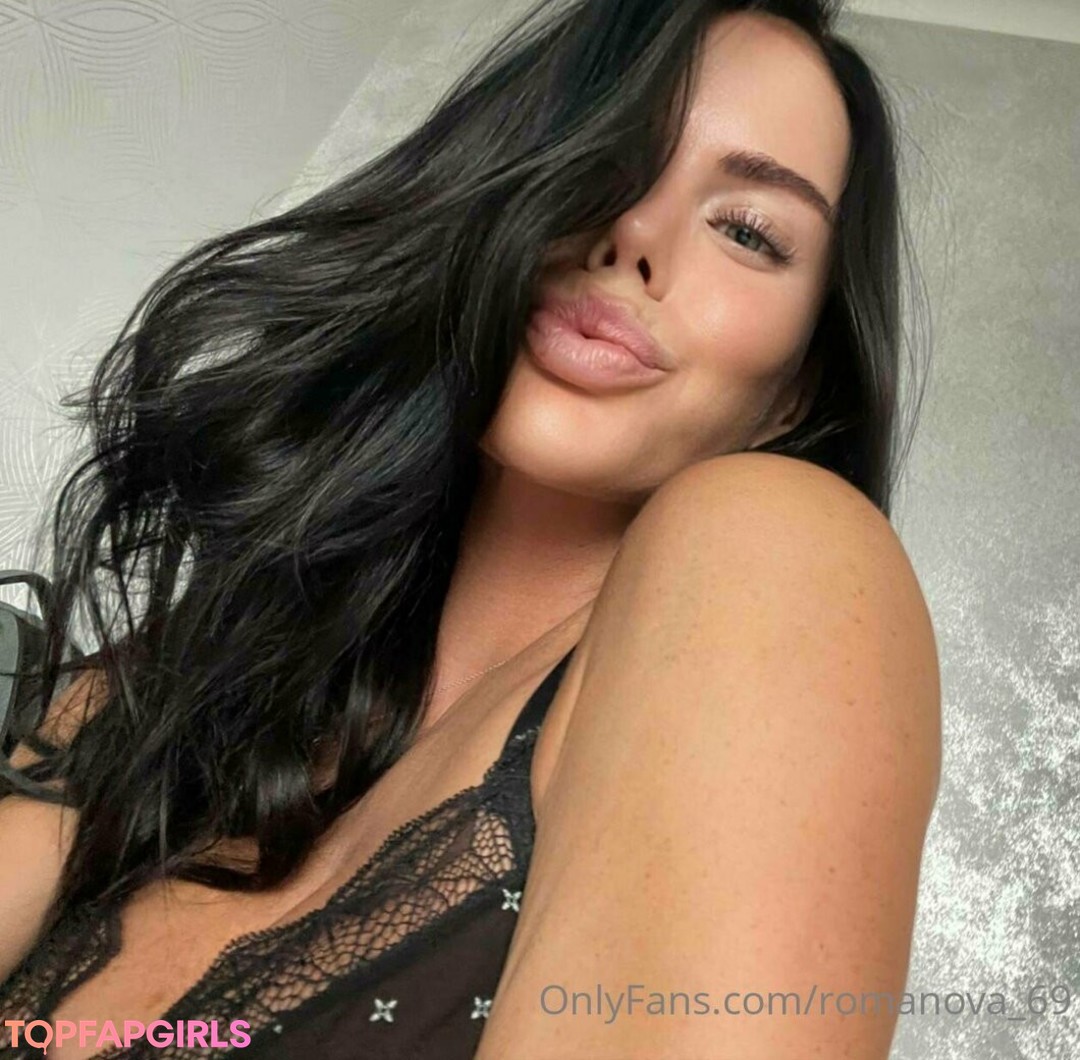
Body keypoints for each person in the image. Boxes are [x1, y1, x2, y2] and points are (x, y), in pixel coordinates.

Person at [0, 0, 941, 1056]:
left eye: (748, 231)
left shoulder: (782, 546)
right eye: (609, 158)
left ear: (796, 391)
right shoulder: (192, 677)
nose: (635, 235)